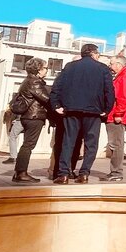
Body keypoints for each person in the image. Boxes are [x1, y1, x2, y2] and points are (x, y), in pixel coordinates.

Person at [51, 44, 115, 184]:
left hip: (72, 109)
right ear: (93, 53)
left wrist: (56, 105)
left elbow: (57, 86)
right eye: (98, 53)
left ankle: (63, 174)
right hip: (93, 111)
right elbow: (109, 91)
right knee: (91, 144)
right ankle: (84, 173)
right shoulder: (102, 68)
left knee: (68, 142)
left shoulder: (69, 67)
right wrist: (107, 109)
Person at [11, 58, 51, 183]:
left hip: (27, 116)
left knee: (26, 145)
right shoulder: (34, 82)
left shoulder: (27, 80)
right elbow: (46, 99)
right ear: (38, 69)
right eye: (45, 68)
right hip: (34, 116)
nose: (46, 70)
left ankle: (19, 172)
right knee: (28, 145)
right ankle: (21, 173)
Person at [102, 56, 126, 182]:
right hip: (115, 115)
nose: (110, 66)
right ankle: (115, 171)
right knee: (115, 144)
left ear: (119, 64)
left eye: (111, 64)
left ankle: (116, 172)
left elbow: (123, 98)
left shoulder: (125, 77)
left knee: (116, 144)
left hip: (116, 116)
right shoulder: (122, 76)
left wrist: (118, 114)